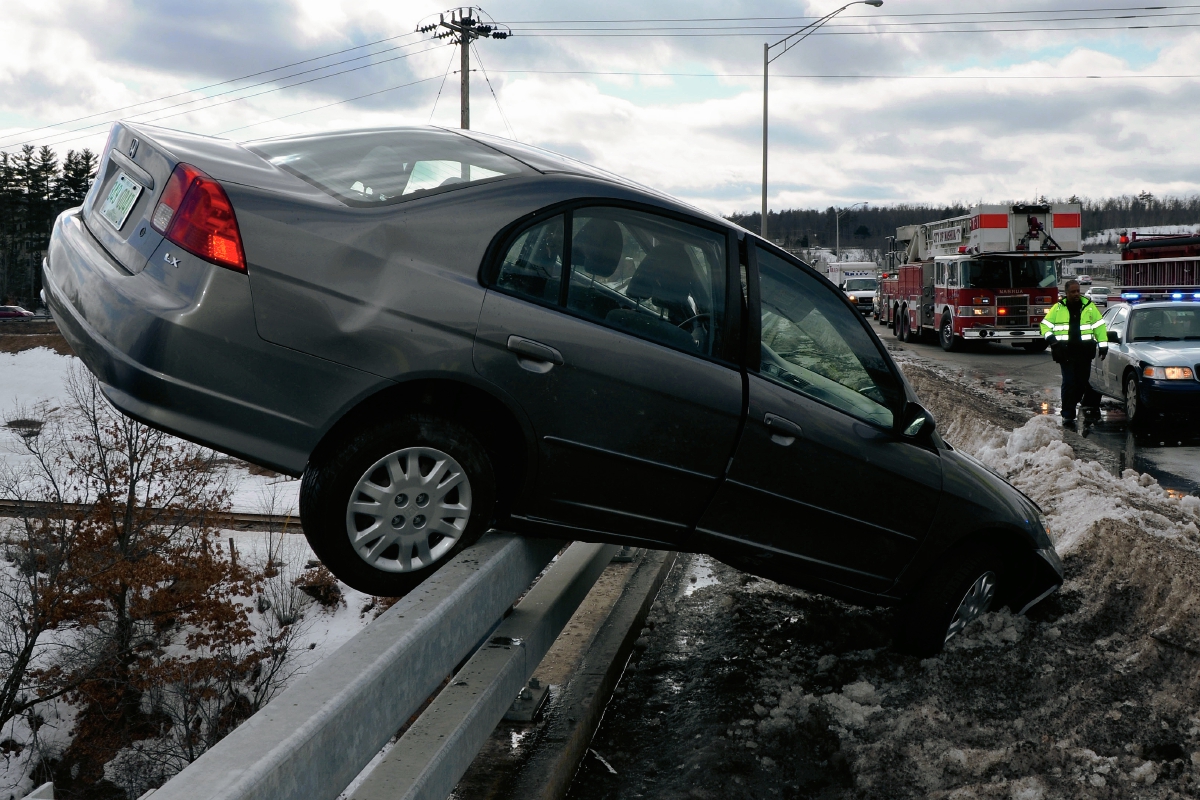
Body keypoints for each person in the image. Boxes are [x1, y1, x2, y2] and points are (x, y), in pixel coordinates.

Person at [1040, 279, 1108, 427]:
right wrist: (1051, 339)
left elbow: (1099, 327)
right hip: (1066, 353)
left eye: (1078, 291)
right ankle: (1068, 414)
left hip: (1084, 352)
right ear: (1067, 293)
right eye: (1073, 291)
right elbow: (1044, 326)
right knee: (1069, 383)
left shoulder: (1089, 307)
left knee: (1082, 383)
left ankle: (1072, 403)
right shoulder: (1058, 308)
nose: (1077, 294)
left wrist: (1103, 345)